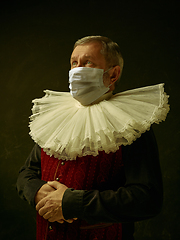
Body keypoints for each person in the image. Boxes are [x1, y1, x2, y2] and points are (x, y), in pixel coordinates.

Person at [16, 36, 170, 240]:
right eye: (74, 63)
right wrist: (36, 191)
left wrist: (71, 202)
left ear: (113, 74)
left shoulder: (131, 125)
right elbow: (27, 172)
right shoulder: (55, 118)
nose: (77, 69)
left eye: (88, 62)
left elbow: (147, 199)